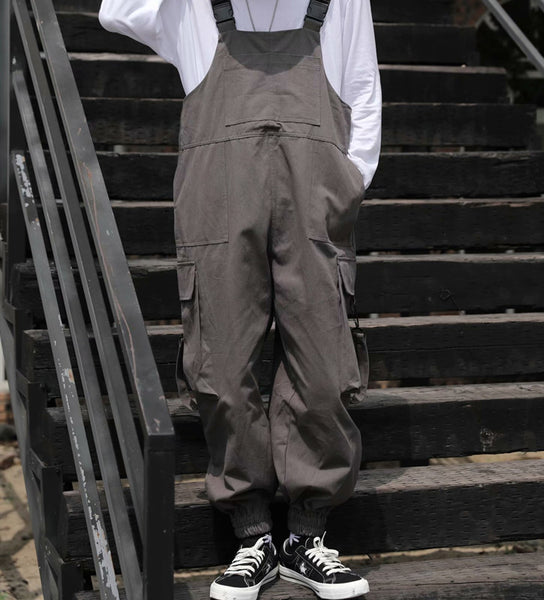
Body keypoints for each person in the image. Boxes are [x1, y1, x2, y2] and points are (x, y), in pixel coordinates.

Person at [98, 0, 382, 598]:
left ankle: (306, 536)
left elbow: (362, 87)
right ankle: (252, 533)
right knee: (221, 365)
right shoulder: (195, 12)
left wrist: (348, 180)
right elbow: (115, 10)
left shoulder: (339, 4)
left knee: (324, 366)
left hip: (316, 198)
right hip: (217, 203)